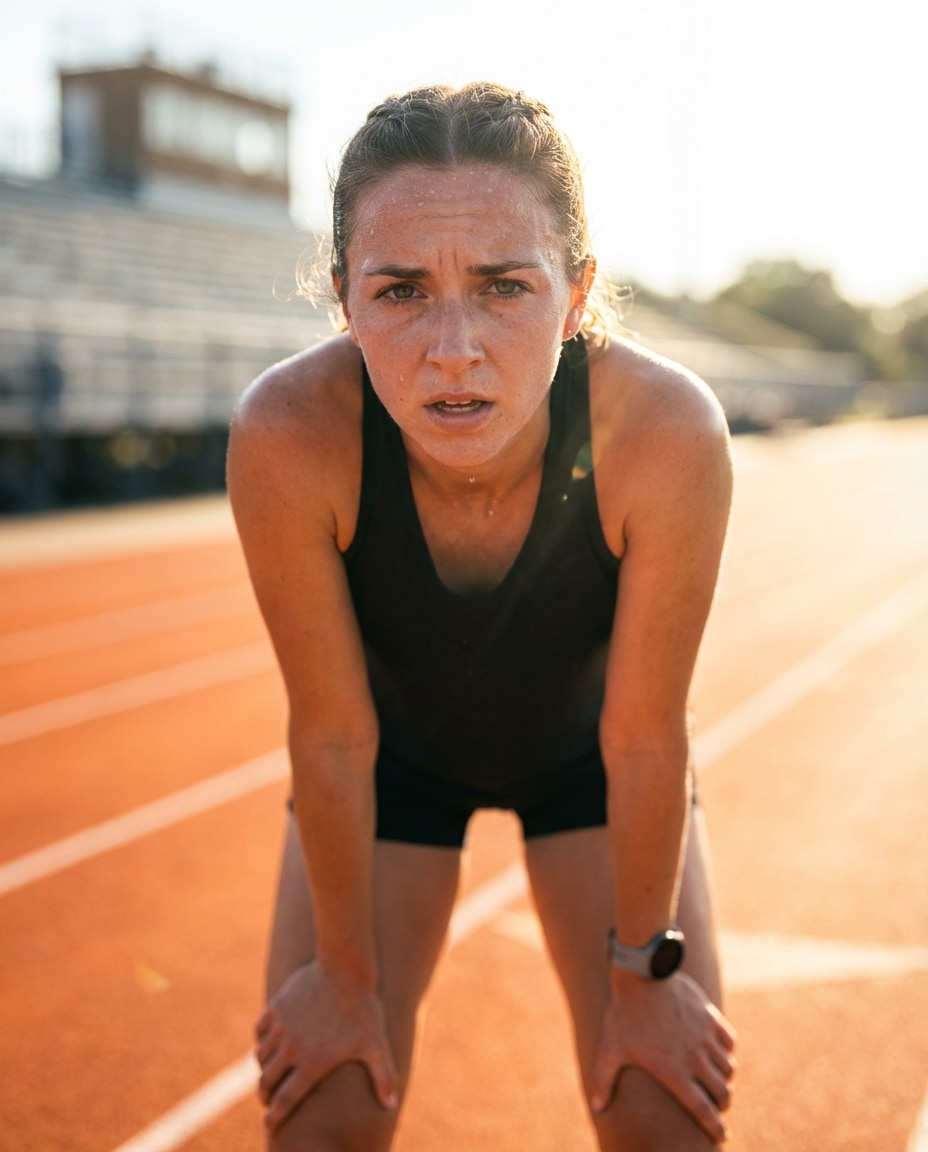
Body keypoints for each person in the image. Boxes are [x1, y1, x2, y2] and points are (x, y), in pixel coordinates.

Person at [227, 81, 737, 1152]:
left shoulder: (665, 431)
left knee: (663, 1119)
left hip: (595, 765)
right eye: (401, 291)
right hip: (387, 766)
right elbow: (329, 731)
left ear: (578, 291)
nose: (452, 347)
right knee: (323, 1115)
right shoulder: (288, 431)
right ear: (342, 297)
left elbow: (646, 736)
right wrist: (344, 979)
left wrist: (646, 972)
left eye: (504, 285)